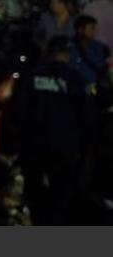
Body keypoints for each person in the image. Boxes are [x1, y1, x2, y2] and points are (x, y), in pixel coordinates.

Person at [12, 35, 90, 225]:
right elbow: (86, 116)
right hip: (64, 148)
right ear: (66, 54)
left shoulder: (32, 75)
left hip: (34, 146)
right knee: (61, 195)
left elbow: (19, 109)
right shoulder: (75, 79)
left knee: (34, 190)